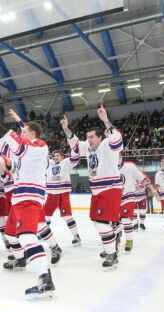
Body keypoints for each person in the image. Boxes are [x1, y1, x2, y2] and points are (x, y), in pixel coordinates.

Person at [0, 109, 55, 300]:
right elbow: (9, 150)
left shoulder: (40, 147)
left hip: (30, 196)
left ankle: (45, 280)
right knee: (11, 234)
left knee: (27, 237)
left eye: (24, 132)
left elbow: (20, 146)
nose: (21, 134)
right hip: (19, 197)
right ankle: (21, 259)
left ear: (32, 134)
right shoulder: (24, 151)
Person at [61, 105, 123, 270]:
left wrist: (105, 120)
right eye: (87, 137)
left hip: (110, 188)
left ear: (101, 137)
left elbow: (117, 138)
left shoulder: (108, 145)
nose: (89, 139)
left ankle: (112, 254)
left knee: (102, 222)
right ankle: (115, 233)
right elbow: (74, 142)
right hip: (96, 191)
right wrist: (66, 128)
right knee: (97, 221)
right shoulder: (87, 148)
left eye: (92, 137)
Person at [118, 157, 156, 253]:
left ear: (121, 157)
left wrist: (152, 189)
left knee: (126, 220)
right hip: (115, 198)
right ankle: (117, 238)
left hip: (129, 197)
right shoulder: (109, 167)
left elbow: (143, 179)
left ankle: (129, 241)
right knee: (115, 222)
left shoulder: (129, 167)